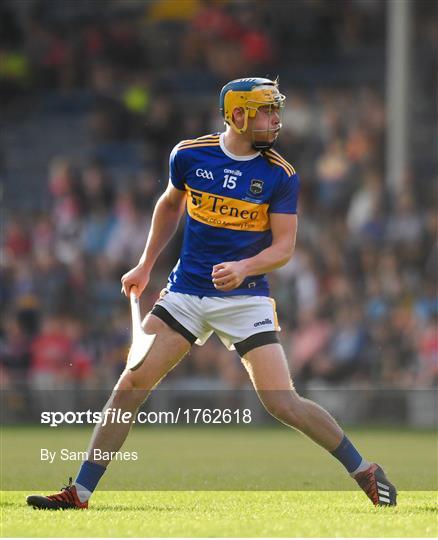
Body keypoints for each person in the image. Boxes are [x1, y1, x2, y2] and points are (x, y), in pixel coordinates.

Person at [27, 77, 396, 509]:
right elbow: (169, 204)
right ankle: (81, 492)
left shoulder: (280, 174)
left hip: (245, 297)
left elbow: (284, 246)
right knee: (131, 384)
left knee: (281, 402)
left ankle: (362, 469)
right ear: (238, 115)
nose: (276, 119)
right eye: (267, 110)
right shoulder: (189, 154)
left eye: (277, 109)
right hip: (185, 291)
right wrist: (146, 265)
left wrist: (244, 267)